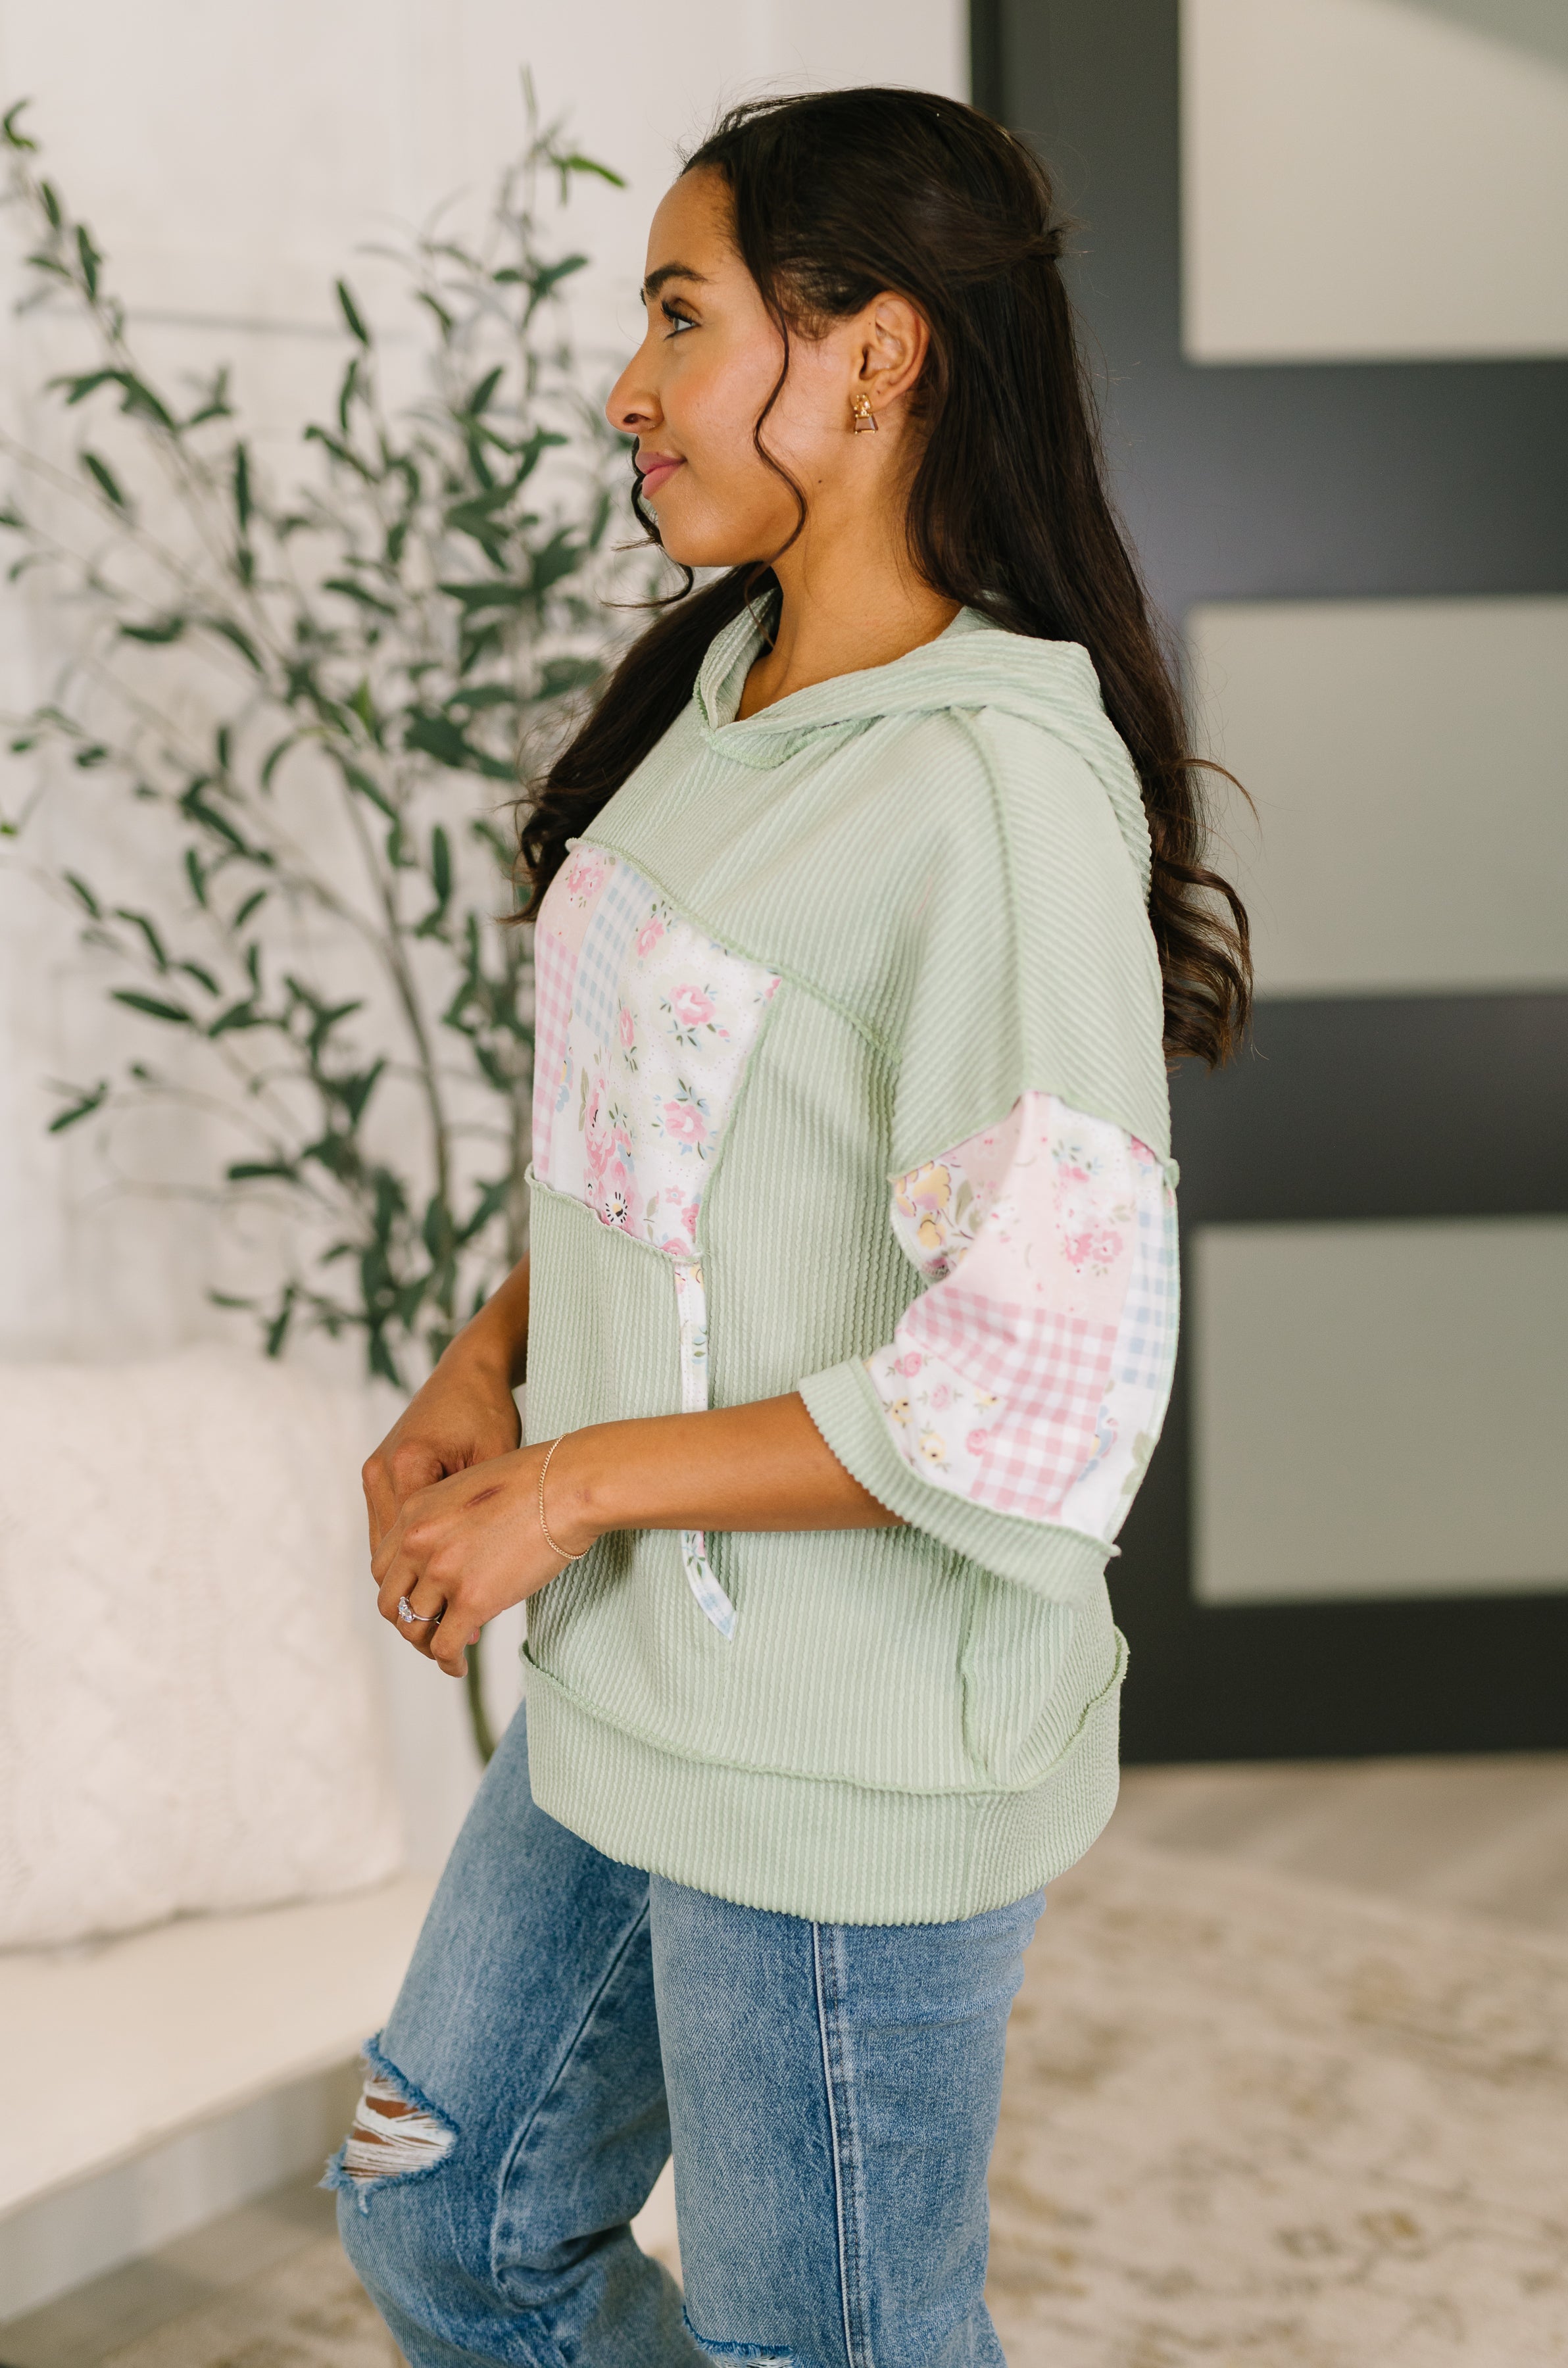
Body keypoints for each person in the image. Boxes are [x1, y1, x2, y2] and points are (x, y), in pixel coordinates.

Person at [331, 85, 1250, 2368]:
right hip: (641, 1679)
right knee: (445, 2220)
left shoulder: (988, 788)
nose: (629, 390)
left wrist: (566, 1485)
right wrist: (486, 1374)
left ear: (874, 354)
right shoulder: (730, 690)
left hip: (842, 1757)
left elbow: (1035, 1376)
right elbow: (676, 1156)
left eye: (679, 314)